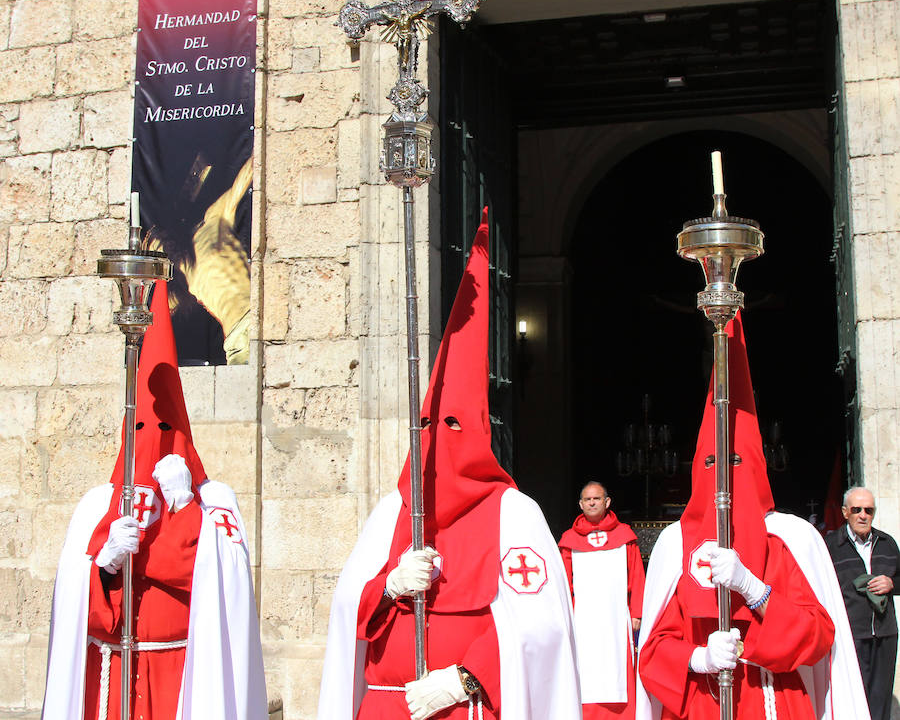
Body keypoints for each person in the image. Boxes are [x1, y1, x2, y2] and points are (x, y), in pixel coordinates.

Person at [316, 209, 581, 720]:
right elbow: (348, 605)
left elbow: (541, 623)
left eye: (455, 426)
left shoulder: (514, 513)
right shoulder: (393, 509)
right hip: (389, 706)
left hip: (464, 706)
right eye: (431, 428)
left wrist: (464, 677)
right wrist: (387, 586)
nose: (441, 442)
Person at [41, 280, 267, 720]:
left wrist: (185, 510)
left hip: (185, 673)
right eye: (142, 432)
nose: (154, 445)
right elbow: (70, 600)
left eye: (166, 432)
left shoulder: (213, 500)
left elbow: (229, 585)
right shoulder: (97, 505)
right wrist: (102, 565)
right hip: (113, 670)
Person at [636, 313, 869, 720]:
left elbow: (817, 635)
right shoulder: (676, 544)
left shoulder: (789, 538)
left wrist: (755, 590)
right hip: (706, 703)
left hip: (777, 701)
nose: (724, 475)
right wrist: (699, 657)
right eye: (713, 462)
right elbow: (653, 651)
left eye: (736, 460)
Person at [559, 481, 645, 719]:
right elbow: (564, 584)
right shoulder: (568, 540)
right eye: (587, 500)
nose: (592, 503)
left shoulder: (625, 536)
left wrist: (636, 612)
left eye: (597, 499)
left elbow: (637, 576)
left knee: (618, 667)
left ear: (607, 502)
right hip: (582, 619)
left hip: (617, 617)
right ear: (580, 504)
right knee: (584, 670)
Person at [824, 487, 900, 720]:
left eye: (869, 510)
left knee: (881, 697)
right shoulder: (830, 545)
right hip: (850, 634)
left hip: (885, 633)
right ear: (846, 512)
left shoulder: (887, 542)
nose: (863, 515)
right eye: (857, 510)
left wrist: (891, 583)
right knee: (853, 699)